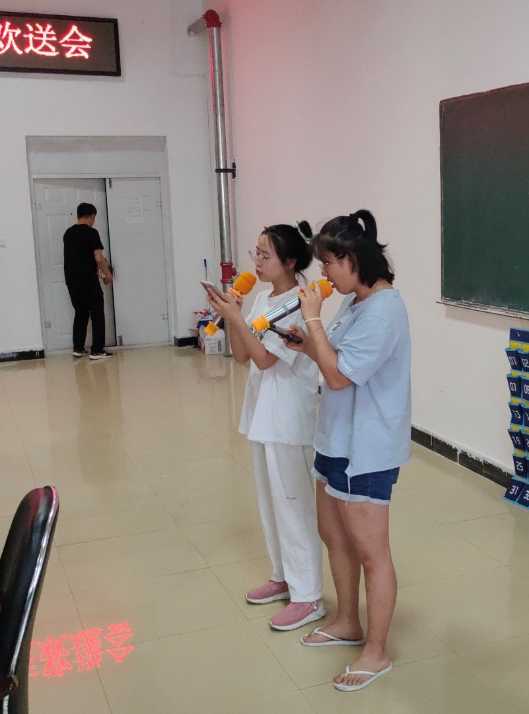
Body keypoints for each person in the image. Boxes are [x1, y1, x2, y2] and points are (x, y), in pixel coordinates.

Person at [285, 210, 411, 692]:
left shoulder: (384, 311)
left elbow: (338, 377)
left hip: (367, 448)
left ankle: (376, 652)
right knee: (334, 535)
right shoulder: (355, 301)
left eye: (329, 263)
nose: (324, 273)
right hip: (336, 438)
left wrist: (313, 319)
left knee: (371, 552)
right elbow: (333, 358)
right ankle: (347, 622)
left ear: (354, 259)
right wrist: (306, 343)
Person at [205, 221, 325, 632]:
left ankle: (309, 596)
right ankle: (283, 576)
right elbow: (242, 355)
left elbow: (265, 358)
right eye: (255, 253)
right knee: (271, 504)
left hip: (288, 417)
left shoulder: (297, 303)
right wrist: (233, 316)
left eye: (265, 255)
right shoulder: (261, 297)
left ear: (289, 261)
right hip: (262, 414)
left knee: (294, 506)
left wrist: (235, 317)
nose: (256, 261)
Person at [63, 203, 113, 359]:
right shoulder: (92, 233)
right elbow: (98, 257)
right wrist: (107, 274)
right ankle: (97, 350)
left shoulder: (68, 233)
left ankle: (78, 348)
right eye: (94, 218)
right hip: (88, 280)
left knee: (80, 312)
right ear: (92, 215)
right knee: (97, 313)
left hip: (71, 280)